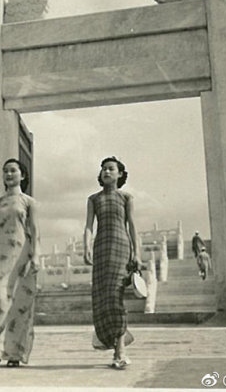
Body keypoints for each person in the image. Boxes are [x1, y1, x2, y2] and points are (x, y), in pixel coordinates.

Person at [83, 156, 142, 370]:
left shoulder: (126, 198)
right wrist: (87, 246)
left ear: (119, 174)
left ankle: (120, 350)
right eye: (103, 169)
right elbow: (89, 226)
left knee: (116, 297)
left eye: (111, 169)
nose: (106, 172)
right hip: (101, 249)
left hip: (121, 248)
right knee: (102, 296)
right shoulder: (93, 199)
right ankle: (113, 340)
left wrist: (137, 254)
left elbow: (132, 226)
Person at [0, 158, 40, 370]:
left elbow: (35, 232)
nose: (9, 174)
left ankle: (15, 354)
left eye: (13, 171)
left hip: (22, 258)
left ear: (22, 176)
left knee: (20, 307)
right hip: (1, 258)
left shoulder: (29, 202)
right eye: (5, 171)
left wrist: (35, 258)